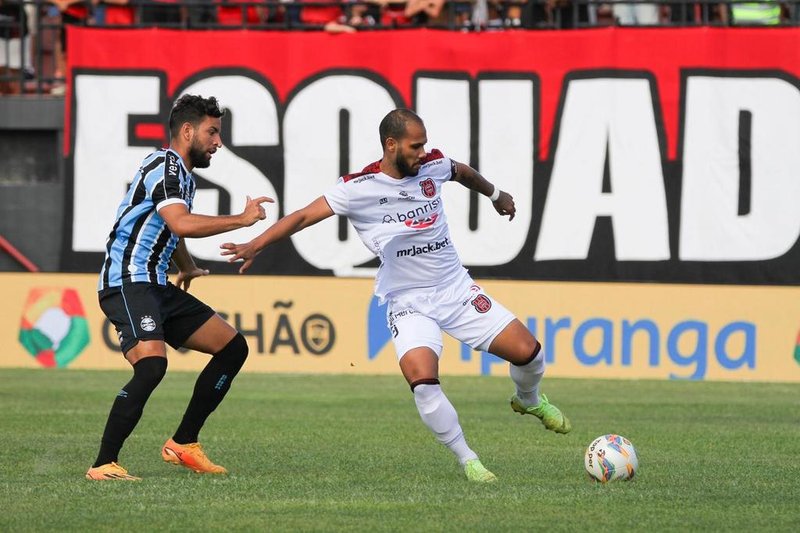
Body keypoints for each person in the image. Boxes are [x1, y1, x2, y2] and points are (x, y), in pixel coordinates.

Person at [220, 109, 571, 483]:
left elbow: (463, 172)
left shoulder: (433, 165)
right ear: (391, 145)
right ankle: (470, 461)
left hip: (454, 288)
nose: (423, 151)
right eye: (415, 145)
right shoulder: (358, 187)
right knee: (422, 380)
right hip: (407, 301)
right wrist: (255, 243)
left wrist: (497, 194)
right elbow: (304, 216)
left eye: (425, 144)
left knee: (529, 354)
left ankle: (528, 400)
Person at [86, 94, 273, 481]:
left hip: (156, 284)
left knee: (233, 347)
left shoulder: (181, 175)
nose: (218, 142)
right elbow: (181, 223)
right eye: (212, 132)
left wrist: (185, 265)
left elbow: (173, 224)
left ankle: (183, 443)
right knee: (152, 366)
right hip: (127, 280)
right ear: (187, 131)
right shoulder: (164, 163)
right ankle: (103, 463)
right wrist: (241, 220)